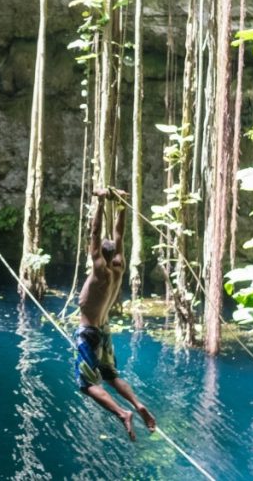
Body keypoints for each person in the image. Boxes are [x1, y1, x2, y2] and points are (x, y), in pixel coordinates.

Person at [73, 187, 157, 441]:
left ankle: (123, 413)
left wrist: (99, 202)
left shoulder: (99, 270)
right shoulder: (118, 267)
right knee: (110, 375)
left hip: (89, 333)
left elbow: (95, 233)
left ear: (99, 254)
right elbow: (119, 234)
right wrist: (120, 205)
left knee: (86, 384)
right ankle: (137, 404)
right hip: (104, 330)